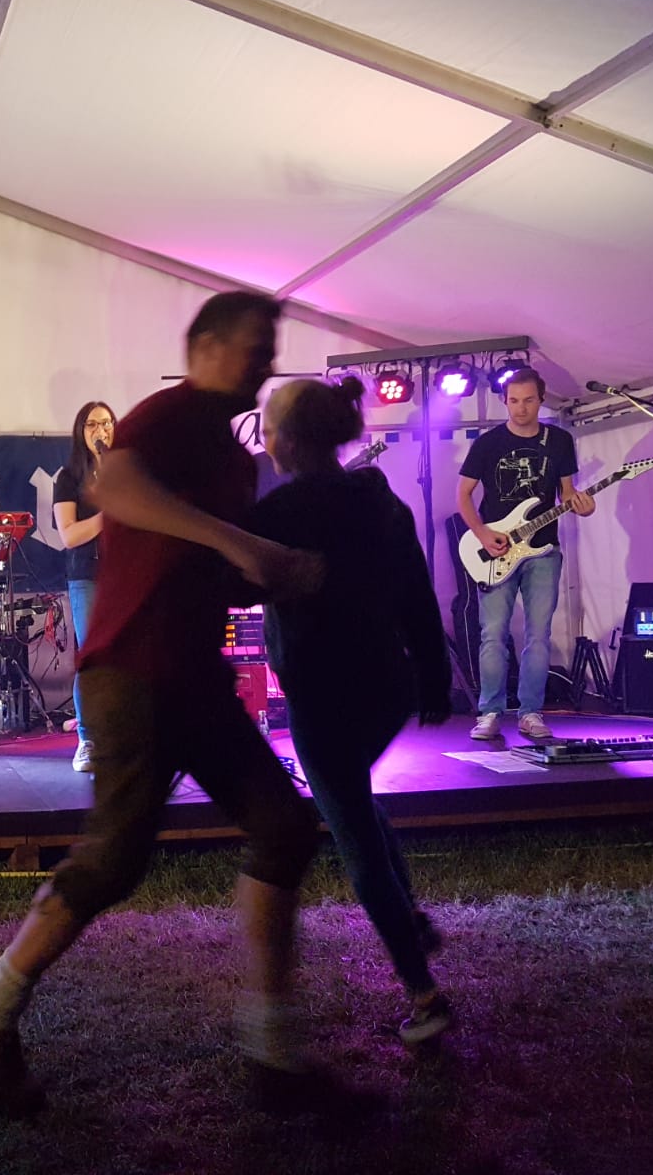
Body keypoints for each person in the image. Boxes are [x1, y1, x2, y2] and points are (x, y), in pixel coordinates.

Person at [0, 291, 346, 1119]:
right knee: (113, 860)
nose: (267, 361)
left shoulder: (233, 457)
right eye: (254, 345)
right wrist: (242, 542)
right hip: (132, 671)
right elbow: (120, 490)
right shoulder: (165, 416)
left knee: (283, 827)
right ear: (203, 347)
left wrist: (276, 576)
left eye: (272, 347)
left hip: (192, 673)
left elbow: (204, 565)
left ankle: (275, 1056)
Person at [247, 375, 454, 1047]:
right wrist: (435, 676)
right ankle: (411, 918)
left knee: (355, 838)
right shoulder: (380, 499)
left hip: (323, 695)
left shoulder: (283, 511)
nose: (263, 440)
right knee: (356, 801)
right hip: (388, 686)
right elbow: (418, 592)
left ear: (287, 440)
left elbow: (228, 578)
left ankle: (425, 994)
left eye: (266, 429)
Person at [458, 367, 595, 741]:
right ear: (505, 400)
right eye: (514, 401)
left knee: (538, 635)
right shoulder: (487, 444)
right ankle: (489, 712)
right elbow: (463, 495)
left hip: (543, 549)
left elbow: (567, 494)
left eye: (529, 400)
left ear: (541, 400)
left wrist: (583, 505)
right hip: (496, 549)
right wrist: (483, 533)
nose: (521, 408)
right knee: (493, 634)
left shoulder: (559, 441)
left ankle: (530, 712)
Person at [53, 401, 115, 773]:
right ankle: (87, 739)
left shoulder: (126, 471)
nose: (100, 430)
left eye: (106, 423)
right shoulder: (69, 477)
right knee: (93, 658)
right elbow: (69, 535)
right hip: (88, 575)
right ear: (81, 431)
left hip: (125, 573)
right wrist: (109, 515)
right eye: (92, 424)